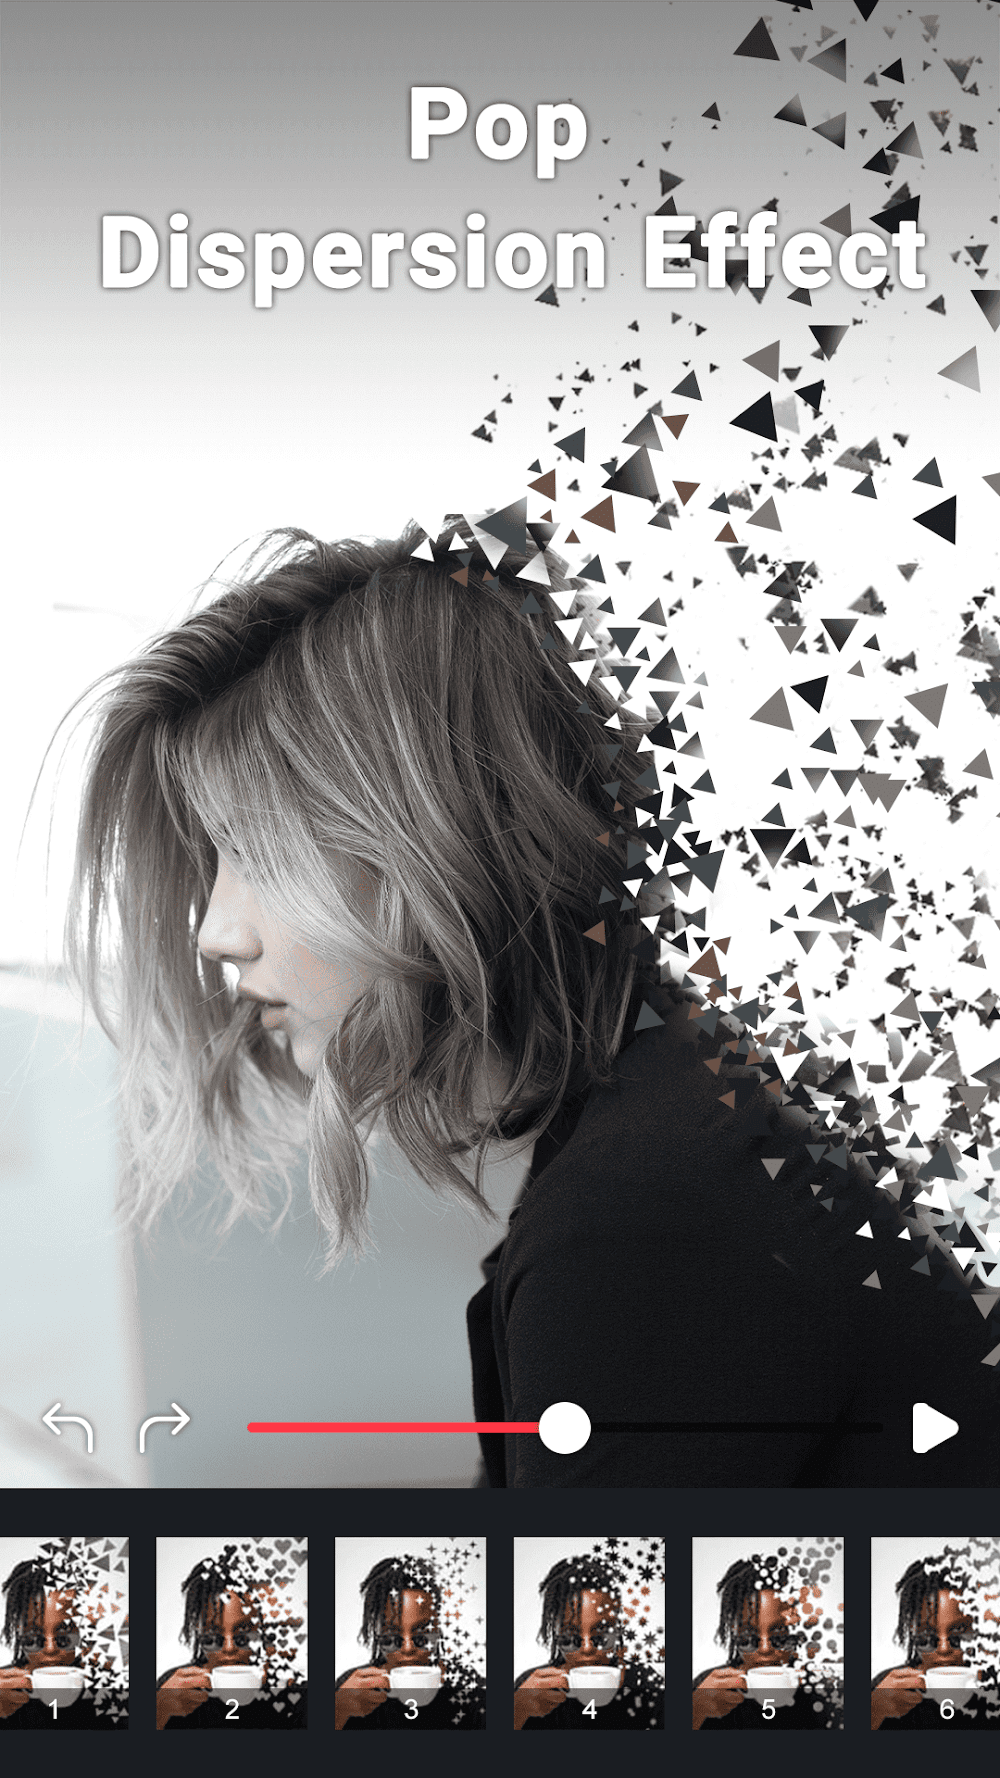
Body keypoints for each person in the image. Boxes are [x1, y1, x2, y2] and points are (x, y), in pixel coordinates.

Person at [60, 517, 1000, 1490]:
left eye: (255, 849)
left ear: (431, 827)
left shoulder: (641, 1216)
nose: (215, 931)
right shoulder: (700, 1100)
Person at [156, 1554, 306, 1730]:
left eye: (242, 1637)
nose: (229, 1648)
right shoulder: (175, 1691)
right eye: (213, 1638)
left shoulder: (287, 1690)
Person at [335, 1555, 485, 1729]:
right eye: (391, 1638)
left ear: (438, 1631)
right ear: (376, 1635)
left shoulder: (466, 1685)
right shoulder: (352, 1690)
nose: (407, 1648)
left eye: (421, 1637)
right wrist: (337, 1711)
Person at [514, 1554, 662, 1730]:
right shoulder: (531, 1691)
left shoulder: (646, 1685)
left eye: (601, 1637)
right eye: (571, 1639)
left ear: (618, 1631)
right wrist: (516, 1712)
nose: (587, 1648)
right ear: (555, 1635)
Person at [693, 1557, 840, 1730]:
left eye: (779, 1637)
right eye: (748, 1638)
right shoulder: (709, 1690)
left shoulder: (820, 1692)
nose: (765, 1649)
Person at [0, 1558, 128, 1731]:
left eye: (63, 1637)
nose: (50, 1649)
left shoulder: (109, 1689)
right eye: (34, 1638)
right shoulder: (5, 1691)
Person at [871, 1557, 998, 1730]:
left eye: (959, 1631)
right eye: (927, 1637)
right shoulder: (886, 1690)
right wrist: (873, 1713)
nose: (944, 1649)